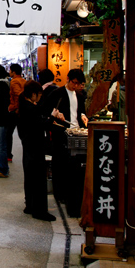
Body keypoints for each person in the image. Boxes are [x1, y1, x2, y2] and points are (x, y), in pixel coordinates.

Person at [42, 68, 88, 204]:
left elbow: (81, 112)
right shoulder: (57, 93)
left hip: (76, 131)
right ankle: (59, 193)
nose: (76, 86)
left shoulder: (80, 95)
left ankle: (71, 193)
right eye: (74, 83)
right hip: (60, 133)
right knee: (59, 164)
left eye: (79, 84)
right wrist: (55, 115)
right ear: (68, 79)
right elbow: (46, 110)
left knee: (73, 165)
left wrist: (84, 116)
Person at [17, 80, 56, 221]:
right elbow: (40, 124)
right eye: (39, 95)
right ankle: (39, 211)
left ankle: (30, 205)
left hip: (27, 145)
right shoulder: (30, 108)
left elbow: (37, 110)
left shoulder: (23, 101)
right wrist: (52, 118)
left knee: (29, 176)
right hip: (35, 145)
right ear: (33, 94)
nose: (39, 98)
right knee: (39, 178)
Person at [7, 63, 26, 162]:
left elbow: (18, 96)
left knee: (8, 133)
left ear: (13, 72)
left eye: (10, 70)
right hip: (23, 111)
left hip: (15, 110)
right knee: (23, 134)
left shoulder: (14, 81)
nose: (9, 72)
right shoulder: (24, 81)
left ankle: (8, 155)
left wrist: (17, 108)